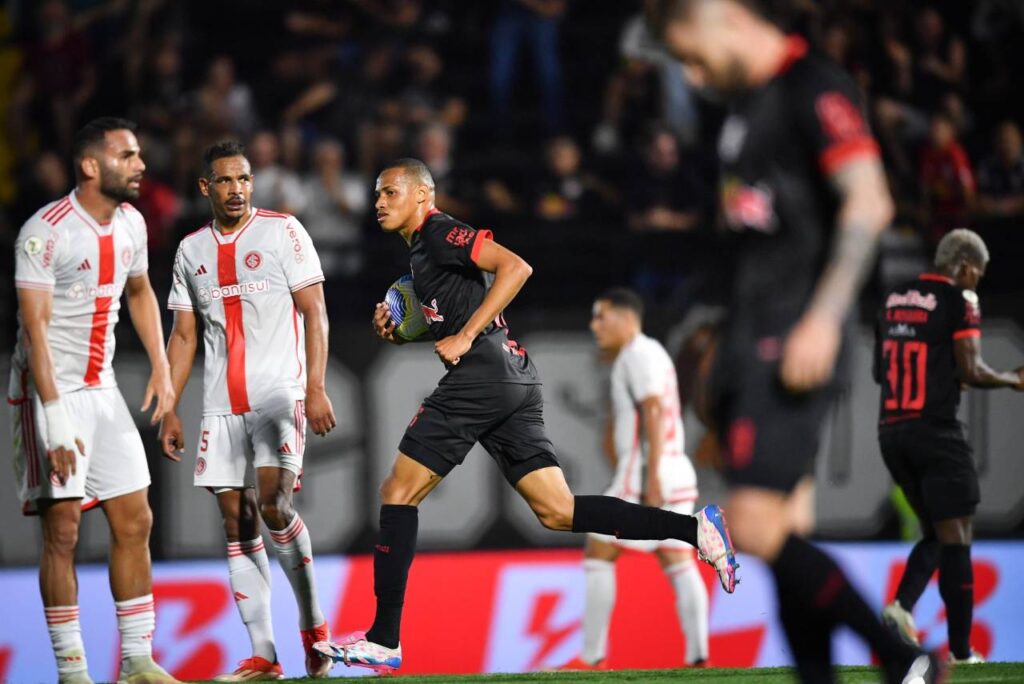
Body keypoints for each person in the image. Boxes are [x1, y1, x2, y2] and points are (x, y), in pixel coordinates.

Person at [312, 158, 737, 674]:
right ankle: (697, 529)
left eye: (391, 192)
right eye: (378, 193)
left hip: (483, 374)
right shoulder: (423, 255)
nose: (379, 201)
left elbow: (516, 267)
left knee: (397, 493)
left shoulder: (442, 231)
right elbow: (447, 315)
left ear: (423, 195)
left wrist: (466, 336)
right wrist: (404, 331)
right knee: (557, 510)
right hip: (513, 377)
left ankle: (384, 638)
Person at [649, 1, 944, 681]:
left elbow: (869, 201)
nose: (692, 77)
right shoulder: (747, 110)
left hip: (794, 335)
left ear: (718, 14)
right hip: (756, 333)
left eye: (690, 55)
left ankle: (904, 658)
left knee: (750, 526)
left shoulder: (816, 85)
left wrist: (822, 316)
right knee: (788, 534)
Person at [158, 141, 336, 680]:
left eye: (244, 179)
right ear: (205, 188)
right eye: (226, 181)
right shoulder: (191, 250)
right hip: (220, 406)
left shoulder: (284, 231)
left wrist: (317, 387)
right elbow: (184, 334)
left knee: (275, 505)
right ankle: (265, 655)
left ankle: (314, 628)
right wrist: (169, 405)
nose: (237, 189)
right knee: (236, 523)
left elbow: (315, 311)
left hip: (280, 392)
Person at [8, 117, 176, 683]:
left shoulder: (131, 223)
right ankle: (73, 671)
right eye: (127, 155)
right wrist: (54, 422)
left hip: (102, 389)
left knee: (135, 519)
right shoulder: (45, 232)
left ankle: (135, 661)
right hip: (49, 391)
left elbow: (140, 291)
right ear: (90, 165)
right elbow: (35, 332)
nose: (139, 165)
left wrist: (160, 366)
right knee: (63, 533)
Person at [875, 229, 1024, 664]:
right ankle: (961, 653)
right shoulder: (962, 301)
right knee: (957, 537)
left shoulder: (892, 298)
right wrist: (1014, 379)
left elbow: (881, 373)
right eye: (977, 274)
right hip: (936, 433)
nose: (977, 283)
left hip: (892, 434)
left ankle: (900, 606)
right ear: (963, 267)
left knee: (937, 533)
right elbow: (973, 369)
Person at [557, 288, 709, 671]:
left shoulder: (637, 354)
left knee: (598, 551)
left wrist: (651, 475)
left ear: (626, 318)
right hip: (675, 469)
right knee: (677, 557)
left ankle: (591, 658)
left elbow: (654, 410)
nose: (594, 326)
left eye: (600, 316)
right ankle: (699, 655)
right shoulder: (652, 352)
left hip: (646, 472)